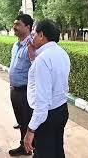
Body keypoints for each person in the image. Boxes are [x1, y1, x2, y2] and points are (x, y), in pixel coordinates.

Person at [23, 19, 70, 158]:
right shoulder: (61, 53)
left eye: (33, 34)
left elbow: (42, 103)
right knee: (57, 151)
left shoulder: (43, 60)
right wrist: (33, 56)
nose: (32, 38)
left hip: (46, 117)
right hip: (61, 110)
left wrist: (30, 130)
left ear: (42, 35)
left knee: (44, 153)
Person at [8, 14, 34, 156]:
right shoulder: (16, 45)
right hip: (15, 90)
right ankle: (26, 146)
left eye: (18, 24)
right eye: (14, 24)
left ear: (28, 27)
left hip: (25, 91)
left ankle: (28, 147)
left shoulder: (32, 45)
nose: (14, 27)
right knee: (21, 121)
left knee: (27, 121)